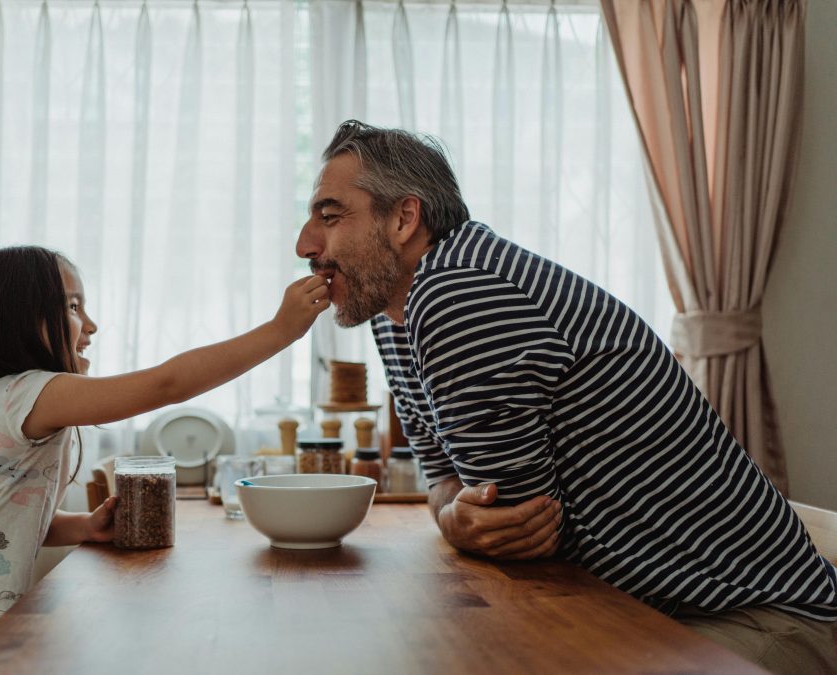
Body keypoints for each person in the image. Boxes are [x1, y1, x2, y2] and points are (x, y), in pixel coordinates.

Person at [295, 120, 837, 672]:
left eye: (330, 216)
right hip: (644, 610)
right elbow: (449, 487)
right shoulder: (397, 314)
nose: (304, 246)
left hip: (750, 618)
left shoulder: (460, 295)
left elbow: (523, 531)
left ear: (404, 218)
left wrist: (463, 516)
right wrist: (454, 518)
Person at [0, 246, 329, 673]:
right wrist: (280, 331)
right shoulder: (30, 392)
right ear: (16, 319)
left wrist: (80, 525)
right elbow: (167, 383)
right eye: (74, 307)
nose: (92, 325)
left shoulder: (1, 401)